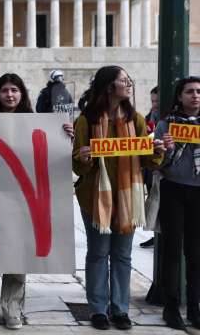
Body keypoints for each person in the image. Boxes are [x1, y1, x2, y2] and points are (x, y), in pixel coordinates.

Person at [0, 72, 74, 330]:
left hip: (21, 201)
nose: (9, 94)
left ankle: (13, 307)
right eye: (5, 90)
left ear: (22, 94)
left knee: (18, 255)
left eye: (14, 90)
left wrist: (64, 136)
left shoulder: (35, 121)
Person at [72, 66, 165, 330]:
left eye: (129, 80)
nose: (130, 84)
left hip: (127, 198)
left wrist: (156, 150)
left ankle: (121, 310)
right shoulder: (85, 121)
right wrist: (82, 157)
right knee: (99, 253)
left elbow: (146, 160)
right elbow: (77, 164)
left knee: (123, 255)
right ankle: (98, 310)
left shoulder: (134, 120)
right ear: (108, 87)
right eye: (124, 80)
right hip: (95, 197)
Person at [152, 76, 200, 330]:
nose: (195, 96)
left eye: (199, 92)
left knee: (195, 253)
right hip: (172, 190)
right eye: (189, 91)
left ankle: (194, 306)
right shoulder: (166, 124)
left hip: (198, 193)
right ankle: (171, 306)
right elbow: (155, 164)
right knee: (171, 251)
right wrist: (164, 150)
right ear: (179, 97)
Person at [140, 86, 159, 249]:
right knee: (151, 199)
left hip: (161, 166)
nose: (154, 104)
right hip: (149, 168)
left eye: (157, 100)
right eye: (152, 100)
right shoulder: (148, 118)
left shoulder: (169, 119)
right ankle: (155, 234)